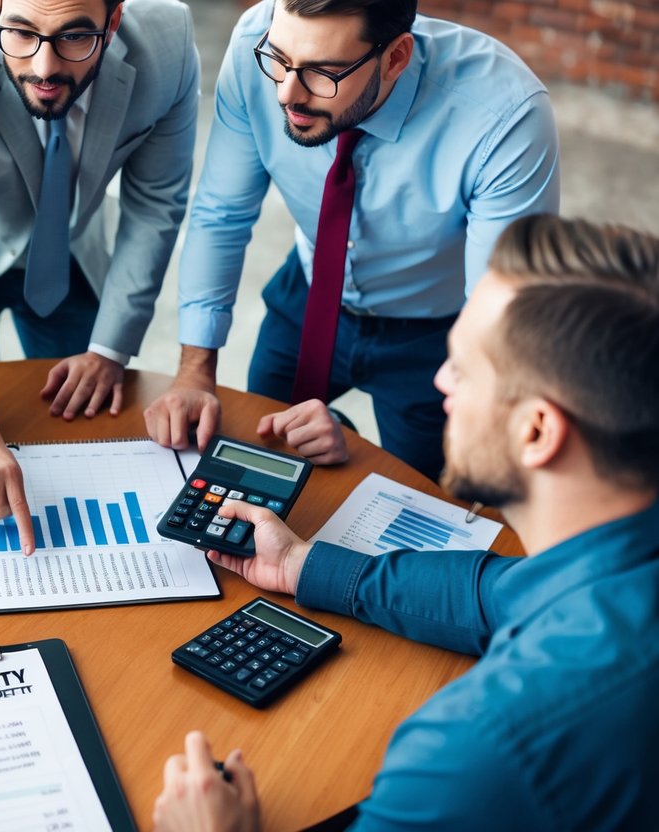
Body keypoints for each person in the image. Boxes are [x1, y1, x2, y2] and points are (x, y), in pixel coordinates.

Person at [151, 214, 659, 831]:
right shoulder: (616, 565)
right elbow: (497, 591)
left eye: (465, 369)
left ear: (536, 432)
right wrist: (301, 565)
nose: (440, 381)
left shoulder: (476, 746)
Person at [145, 0, 560, 481]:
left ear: (396, 58)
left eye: (324, 72)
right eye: (279, 60)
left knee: (421, 490)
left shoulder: (505, 118)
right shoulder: (255, 43)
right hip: (307, 295)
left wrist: (361, 452)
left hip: (436, 334)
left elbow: (499, 311)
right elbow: (222, 213)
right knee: (265, 462)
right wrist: (195, 370)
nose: (286, 93)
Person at [0, 0, 199, 553]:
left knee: (85, 432)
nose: (46, 66)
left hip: (73, 255)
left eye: (75, 36)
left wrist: (109, 348)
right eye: (23, 33)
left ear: (115, 19)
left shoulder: (169, 45)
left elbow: (154, 208)